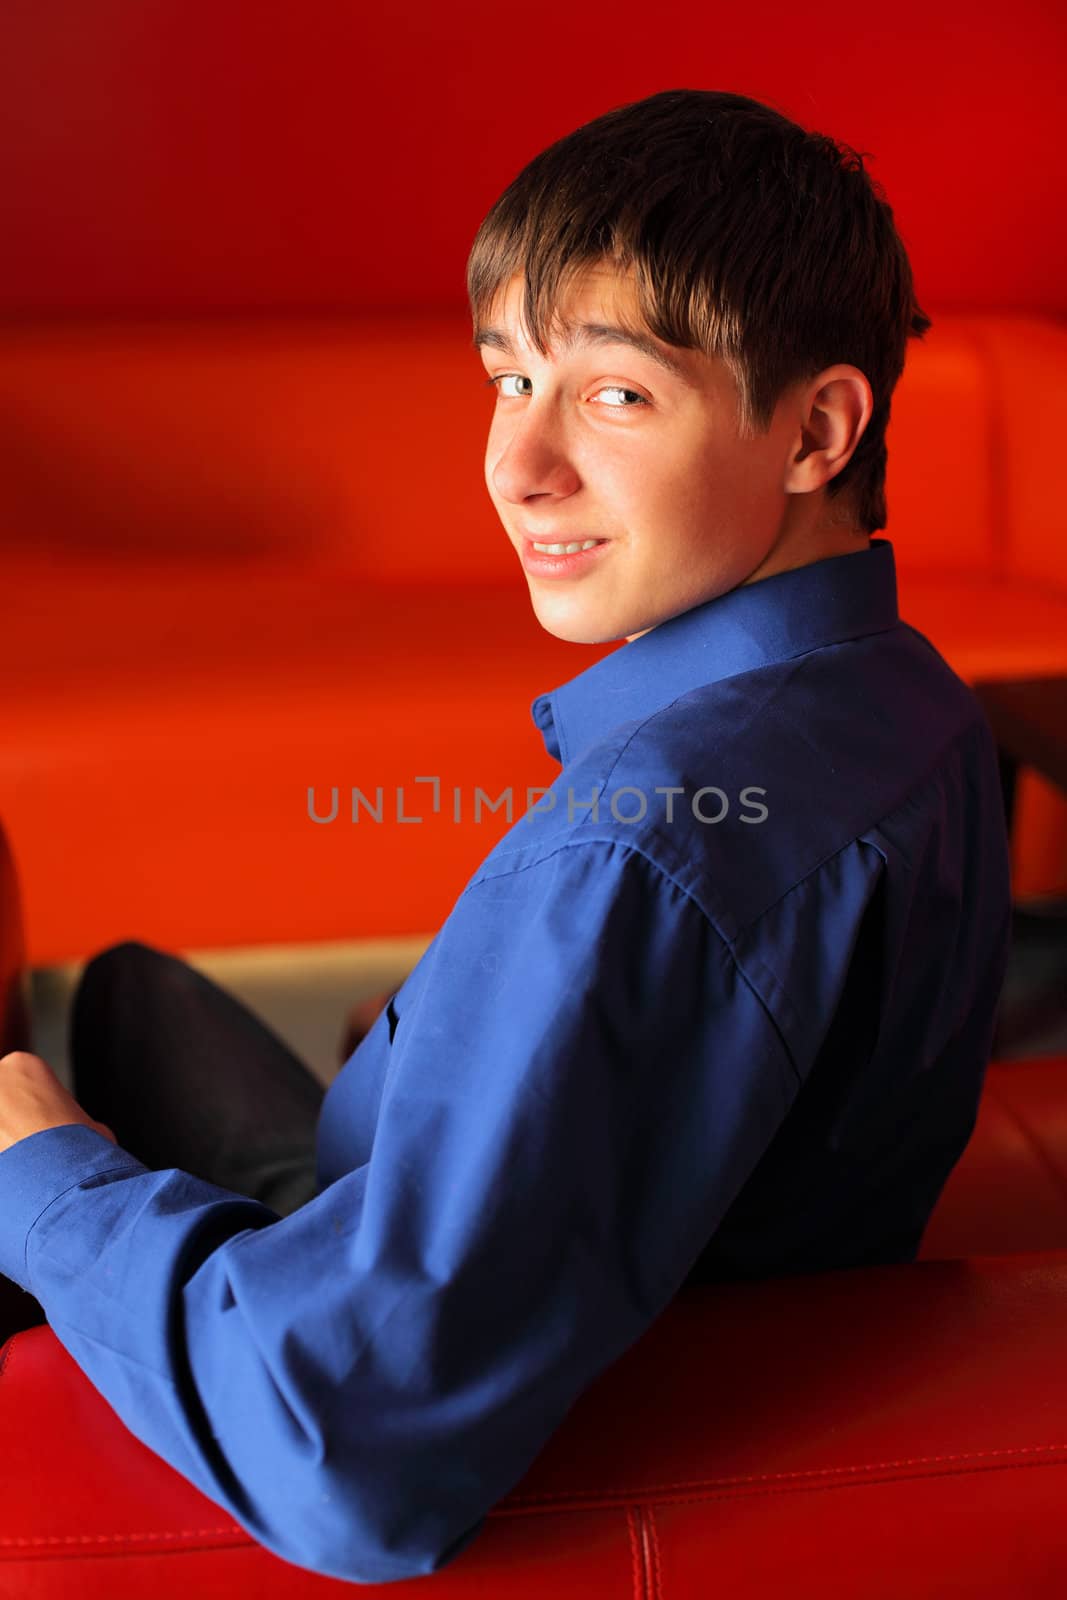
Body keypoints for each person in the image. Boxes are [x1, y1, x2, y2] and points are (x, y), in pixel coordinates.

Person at [0, 88, 1011, 1584]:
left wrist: (43, 1179)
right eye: (507, 378)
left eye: (611, 396)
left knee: (32, 1112)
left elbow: (346, 1448)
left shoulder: (638, 854)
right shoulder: (911, 695)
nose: (516, 466)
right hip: (536, 1228)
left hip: (424, 1337)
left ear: (817, 428)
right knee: (133, 991)